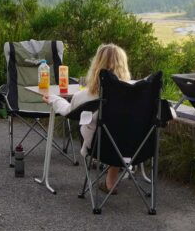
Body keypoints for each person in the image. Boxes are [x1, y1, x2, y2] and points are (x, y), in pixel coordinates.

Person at [43, 43, 130, 193]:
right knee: (119, 130)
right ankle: (110, 182)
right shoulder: (135, 94)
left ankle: (108, 182)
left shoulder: (86, 96)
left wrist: (53, 99)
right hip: (134, 147)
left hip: (99, 146)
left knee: (95, 127)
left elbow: (68, 111)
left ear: (96, 66)